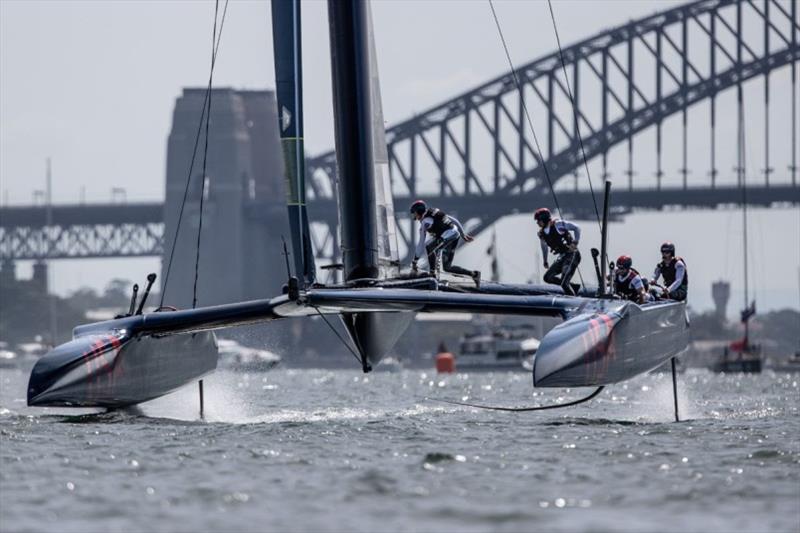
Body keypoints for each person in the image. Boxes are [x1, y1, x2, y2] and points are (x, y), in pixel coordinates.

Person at [409, 200, 481, 287]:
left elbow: (421, 243)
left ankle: (433, 275)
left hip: (448, 236)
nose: (414, 215)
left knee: (429, 246)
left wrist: (415, 261)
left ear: (419, 211)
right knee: (447, 267)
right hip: (455, 234)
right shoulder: (434, 211)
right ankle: (474, 274)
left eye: (414, 213)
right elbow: (453, 220)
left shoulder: (425, 222)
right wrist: (462, 234)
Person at [535, 207, 581, 296]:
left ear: (544, 219)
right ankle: (573, 287)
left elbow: (577, 228)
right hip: (563, 257)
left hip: (572, 255)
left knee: (564, 283)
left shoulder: (558, 225)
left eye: (538, 220)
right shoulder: (542, 234)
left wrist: (575, 242)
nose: (537, 223)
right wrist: (545, 260)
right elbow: (544, 247)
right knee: (547, 277)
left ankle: (573, 300)